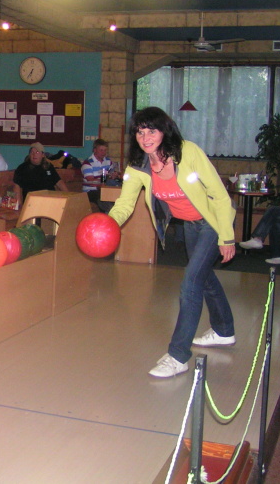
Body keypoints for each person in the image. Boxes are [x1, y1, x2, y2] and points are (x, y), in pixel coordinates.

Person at [108, 107, 236, 378]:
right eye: (140, 132)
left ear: (164, 131)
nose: (145, 138)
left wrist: (227, 236)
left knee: (190, 282)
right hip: (190, 226)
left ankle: (178, 356)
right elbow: (125, 204)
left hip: (212, 223)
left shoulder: (188, 152)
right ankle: (224, 330)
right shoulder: (138, 165)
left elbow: (220, 196)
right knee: (204, 278)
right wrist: (107, 225)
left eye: (151, 131)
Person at [81, 138, 120, 212]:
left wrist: (114, 175)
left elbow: (112, 173)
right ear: (95, 150)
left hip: (106, 188)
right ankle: (110, 213)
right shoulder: (87, 163)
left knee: (116, 193)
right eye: (101, 150)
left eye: (105, 150)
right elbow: (90, 180)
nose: (103, 153)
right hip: (90, 191)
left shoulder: (108, 161)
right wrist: (105, 180)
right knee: (103, 195)